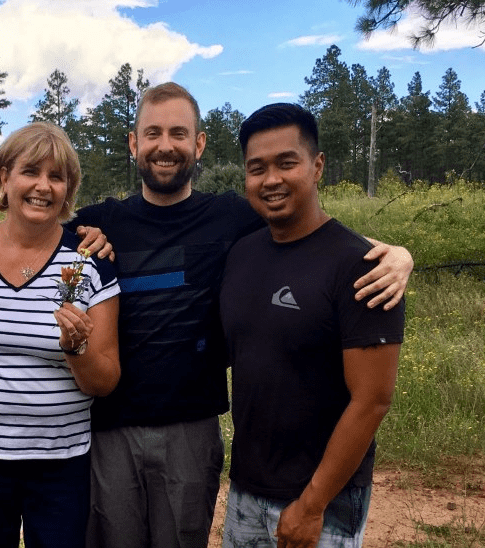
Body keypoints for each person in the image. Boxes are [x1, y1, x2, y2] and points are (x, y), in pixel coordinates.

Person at [66, 83, 413, 548]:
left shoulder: (232, 218)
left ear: (199, 143)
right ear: (133, 143)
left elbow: (317, 237)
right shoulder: (100, 222)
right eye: (152, 133)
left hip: (191, 432)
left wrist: (399, 255)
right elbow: (14, 239)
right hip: (111, 432)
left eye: (178, 133)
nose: (165, 146)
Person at [219, 103, 405, 547]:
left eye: (287, 163)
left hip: (325, 501)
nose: (271, 179)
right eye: (257, 167)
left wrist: (311, 504)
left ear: (317, 166)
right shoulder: (241, 255)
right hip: (246, 489)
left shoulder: (362, 267)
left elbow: (372, 400)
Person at [0, 122, 121, 548]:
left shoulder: (90, 264)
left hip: (60, 464)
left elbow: (105, 380)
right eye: (30, 172)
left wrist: (76, 348)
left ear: (68, 189)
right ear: (5, 177)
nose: (43, 186)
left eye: (56, 177)